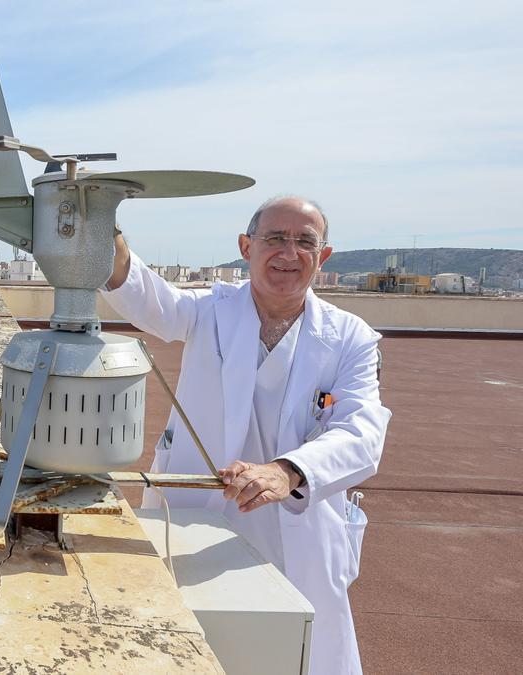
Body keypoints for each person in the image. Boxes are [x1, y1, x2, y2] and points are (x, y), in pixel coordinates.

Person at [101, 196, 390, 674]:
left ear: (324, 256)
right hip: (197, 514)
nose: (288, 253)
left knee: (299, 654)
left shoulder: (350, 338)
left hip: (296, 520)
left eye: (304, 242)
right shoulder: (210, 309)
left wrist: (287, 471)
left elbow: (362, 431)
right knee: (188, 646)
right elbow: (145, 297)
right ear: (246, 246)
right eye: (275, 238)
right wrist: (100, 223)